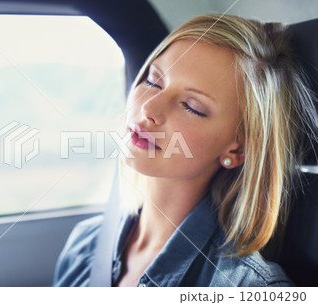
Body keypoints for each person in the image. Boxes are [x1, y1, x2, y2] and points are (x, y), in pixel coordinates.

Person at [53, 14, 318, 287]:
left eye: (192, 106)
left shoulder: (247, 288)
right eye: (153, 82)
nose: (149, 109)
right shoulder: (85, 245)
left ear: (237, 149)